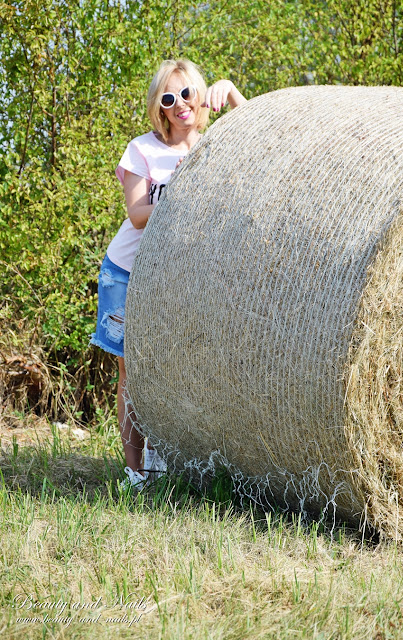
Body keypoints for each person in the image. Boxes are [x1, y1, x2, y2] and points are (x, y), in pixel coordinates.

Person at [90, 58, 246, 489]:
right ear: (159, 107)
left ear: (201, 97)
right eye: (168, 97)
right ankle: (136, 471)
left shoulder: (214, 147)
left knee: (178, 366)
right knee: (131, 372)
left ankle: (172, 459)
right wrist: (181, 200)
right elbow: (137, 213)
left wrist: (230, 91)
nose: (179, 104)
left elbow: (260, 145)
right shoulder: (143, 149)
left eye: (187, 93)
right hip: (127, 271)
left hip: (179, 277)